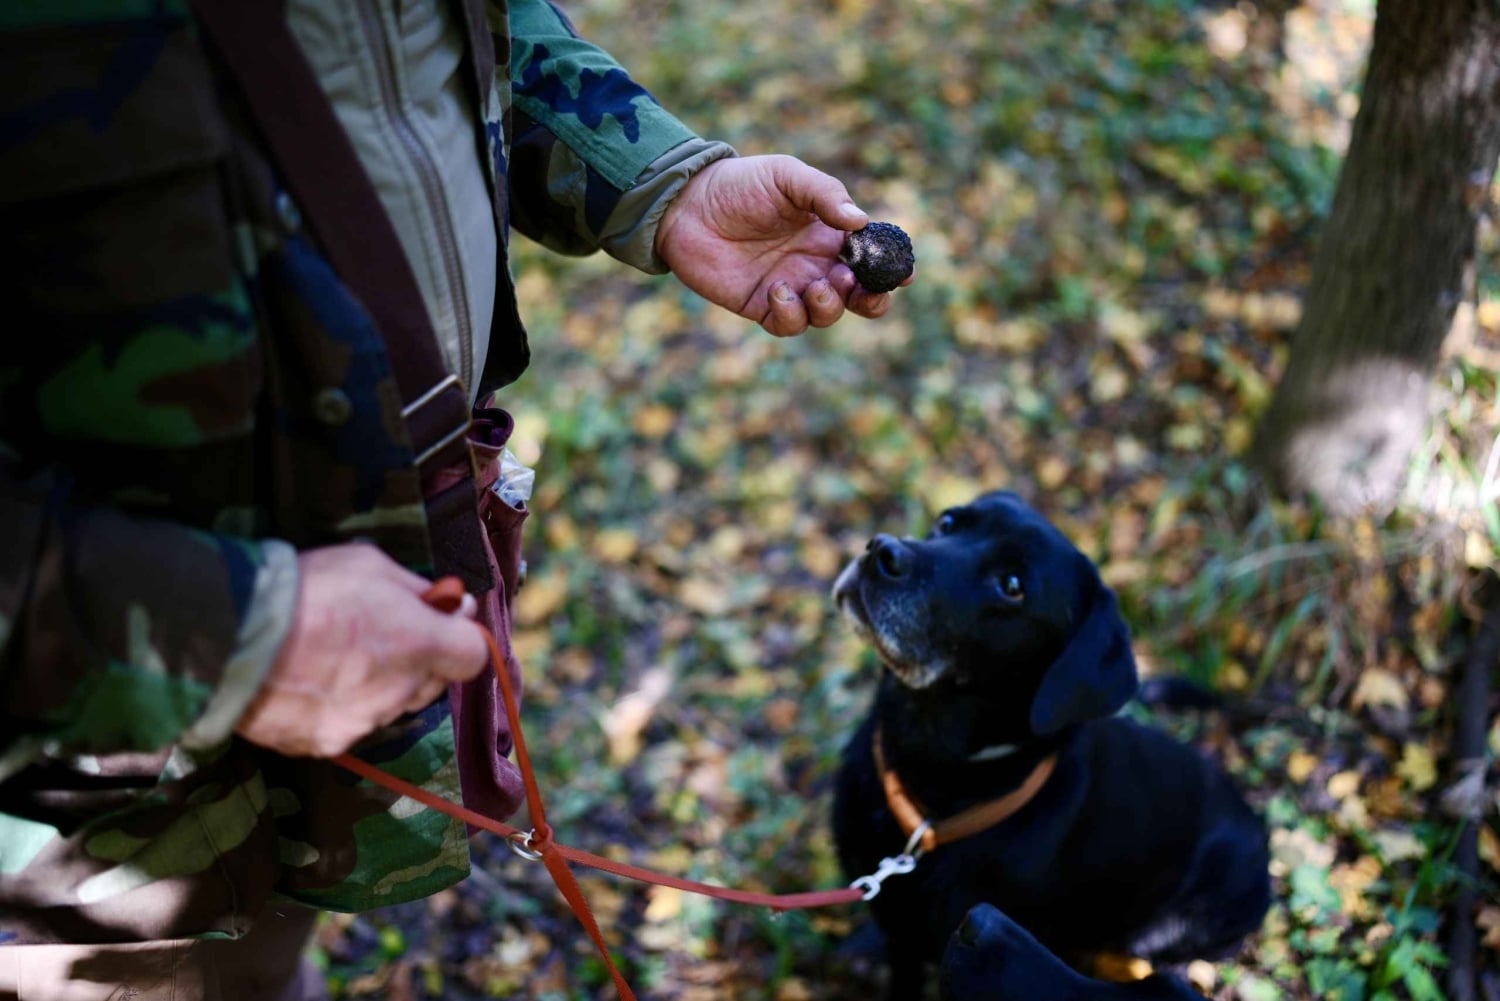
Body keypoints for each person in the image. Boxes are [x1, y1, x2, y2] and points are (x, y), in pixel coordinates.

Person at [0, 1, 907, 998]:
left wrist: (659, 180)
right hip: (89, 732)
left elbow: (439, 35)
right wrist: (221, 631)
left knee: (262, 948)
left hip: (372, 561)